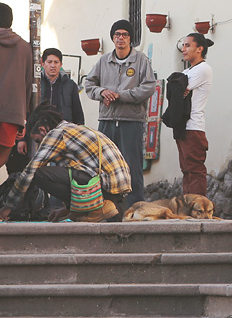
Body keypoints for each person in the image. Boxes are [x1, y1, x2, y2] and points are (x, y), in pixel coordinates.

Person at [0, 105, 131, 224]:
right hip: (117, 187)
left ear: (42, 130)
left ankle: (96, 209)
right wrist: (67, 210)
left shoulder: (57, 133)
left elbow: (29, 172)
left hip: (105, 185)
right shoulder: (74, 129)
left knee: (38, 174)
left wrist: (8, 207)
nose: (39, 144)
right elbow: (76, 173)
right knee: (63, 171)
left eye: (37, 140)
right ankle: (83, 210)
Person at [82, 19, 158, 212]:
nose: (120, 38)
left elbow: (149, 87)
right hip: (107, 120)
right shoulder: (103, 60)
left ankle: (135, 208)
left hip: (131, 120)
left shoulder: (141, 60)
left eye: (124, 35)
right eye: (117, 35)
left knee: (131, 166)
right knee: (105, 165)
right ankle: (107, 208)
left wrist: (121, 96)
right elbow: (89, 84)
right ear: (113, 38)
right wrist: (102, 92)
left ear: (130, 39)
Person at [0, 2, 34, 220]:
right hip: (13, 110)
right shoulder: (25, 47)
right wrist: (25, 117)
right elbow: (28, 82)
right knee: (2, 156)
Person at [176, 33, 214, 196]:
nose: (184, 49)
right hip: (183, 126)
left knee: (195, 170)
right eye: (183, 45)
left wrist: (178, 87)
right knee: (186, 170)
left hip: (194, 126)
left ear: (200, 49)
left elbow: (178, 91)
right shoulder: (188, 71)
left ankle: (198, 208)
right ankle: (188, 209)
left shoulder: (203, 69)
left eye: (187, 45)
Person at [38, 47, 85, 125]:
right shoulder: (36, 83)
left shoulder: (70, 85)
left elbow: (77, 111)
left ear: (61, 65)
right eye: (49, 62)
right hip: (41, 129)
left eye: (56, 62)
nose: (53, 65)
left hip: (64, 130)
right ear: (43, 64)